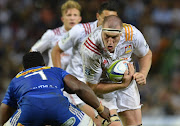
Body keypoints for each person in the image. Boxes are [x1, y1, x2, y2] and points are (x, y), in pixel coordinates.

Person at [51, 1, 130, 126]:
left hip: (99, 88)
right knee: (99, 122)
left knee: (115, 125)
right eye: (105, 19)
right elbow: (56, 50)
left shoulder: (117, 36)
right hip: (78, 88)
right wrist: (58, 79)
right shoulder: (80, 30)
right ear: (98, 16)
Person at [0, 51, 110, 126]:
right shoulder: (54, 70)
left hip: (29, 111)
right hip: (58, 106)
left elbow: (5, 107)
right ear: (43, 64)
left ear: (24, 68)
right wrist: (101, 108)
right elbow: (79, 87)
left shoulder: (17, 78)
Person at [81, 15, 152, 126]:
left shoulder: (132, 34)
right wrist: (122, 85)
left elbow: (146, 54)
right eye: (107, 36)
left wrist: (143, 73)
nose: (110, 42)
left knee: (135, 123)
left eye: (114, 37)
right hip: (102, 83)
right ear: (102, 31)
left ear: (121, 33)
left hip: (126, 79)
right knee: (114, 125)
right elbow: (92, 87)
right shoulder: (91, 49)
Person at [30, 0, 82, 70]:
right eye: (69, 15)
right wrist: (40, 69)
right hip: (55, 79)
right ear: (63, 18)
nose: (72, 18)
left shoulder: (86, 36)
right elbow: (33, 51)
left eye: (75, 15)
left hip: (77, 79)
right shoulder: (52, 34)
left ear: (79, 19)